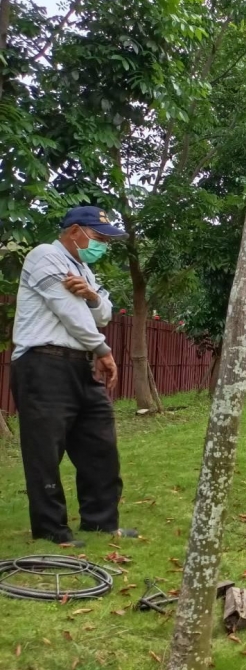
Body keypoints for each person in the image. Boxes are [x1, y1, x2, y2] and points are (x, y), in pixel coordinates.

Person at [10, 206, 137, 547]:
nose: (102, 246)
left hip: (80, 364)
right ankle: (52, 530)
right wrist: (104, 351)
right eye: (98, 238)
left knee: (100, 445)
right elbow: (70, 314)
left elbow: (104, 314)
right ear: (76, 231)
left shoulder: (85, 270)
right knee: (45, 451)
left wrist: (93, 295)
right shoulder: (45, 257)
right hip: (43, 362)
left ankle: (100, 522)